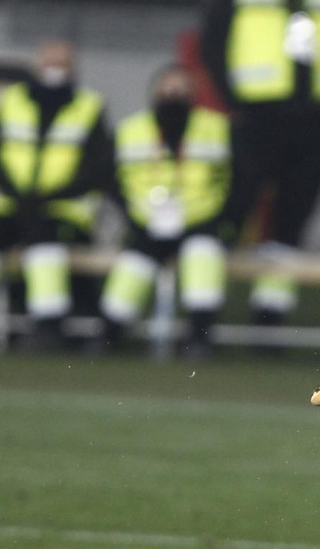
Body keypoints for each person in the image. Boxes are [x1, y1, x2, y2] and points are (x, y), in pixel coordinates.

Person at [199, 0, 320, 328]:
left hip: (310, 122)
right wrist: (234, 105)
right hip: (257, 117)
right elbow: (212, 46)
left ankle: (270, 316)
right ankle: (202, 310)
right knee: (235, 206)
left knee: (292, 214)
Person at [0, 39, 115, 351]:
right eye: (50, 63)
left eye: (63, 64)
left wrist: (50, 196)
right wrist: (15, 191)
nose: (56, 70)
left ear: (74, 69)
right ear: (37, 65)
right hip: (9, 202)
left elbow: (97, 168)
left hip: (62, 209)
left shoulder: (89, 106)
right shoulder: (11, 100)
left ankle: (48, 325)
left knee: (44, 243)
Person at [99, 64, 231, 359]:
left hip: (199, 221)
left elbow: (237, 180)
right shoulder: (130, 129)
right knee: (131, 269)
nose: (175, 94)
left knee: (203, 258)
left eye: (183, 88)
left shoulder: (216, 128)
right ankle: (108, 336)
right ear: (155, 92)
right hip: (147, 223)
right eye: (169, 88)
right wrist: (134, 216)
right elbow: (111, 180)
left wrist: (220, 218)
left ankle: (199, 339)